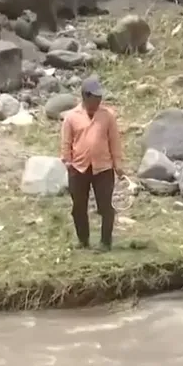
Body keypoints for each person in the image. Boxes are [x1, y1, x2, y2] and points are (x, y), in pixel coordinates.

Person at [60, 76, 124, 252]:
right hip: (79, 167)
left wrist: (118, 164)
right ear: (85, 96)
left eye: (100, 98)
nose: (99, 101)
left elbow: (114, 141)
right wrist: (67, 162)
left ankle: (105, 242)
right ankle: (83, 240)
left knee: (105, 206)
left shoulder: (107, 116)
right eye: (95, 98)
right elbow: (66, 142)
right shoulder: (72, 117)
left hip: (103, 167)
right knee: (78, 207)